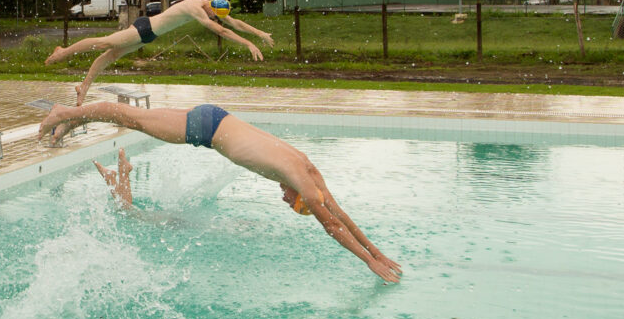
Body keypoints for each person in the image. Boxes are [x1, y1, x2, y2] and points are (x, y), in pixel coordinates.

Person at [41, 99, 402, 283]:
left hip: (214, 120)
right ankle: (64, 112)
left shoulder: (307, 168)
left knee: (130, 118)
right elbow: (332, 225)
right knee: (129, 117)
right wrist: (369, 262)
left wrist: (379, 251)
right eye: (291, 203)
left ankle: (67, 122)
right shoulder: (308, 187)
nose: (284, 199)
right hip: (205, 128)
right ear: (303, 199)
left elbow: (340, 213)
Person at [45, 0, 275, 102]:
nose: (214, 18)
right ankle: (62, 52)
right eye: (214, 15)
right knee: (106, 43)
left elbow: (234, 24)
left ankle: (84, 87)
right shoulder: (195, 8)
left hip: (149, 36)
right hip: (144, 27)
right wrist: (246, 44)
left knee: (110, 56)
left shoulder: (211, 6)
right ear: (209, 7)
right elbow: (221, 31)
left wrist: (259, 34)